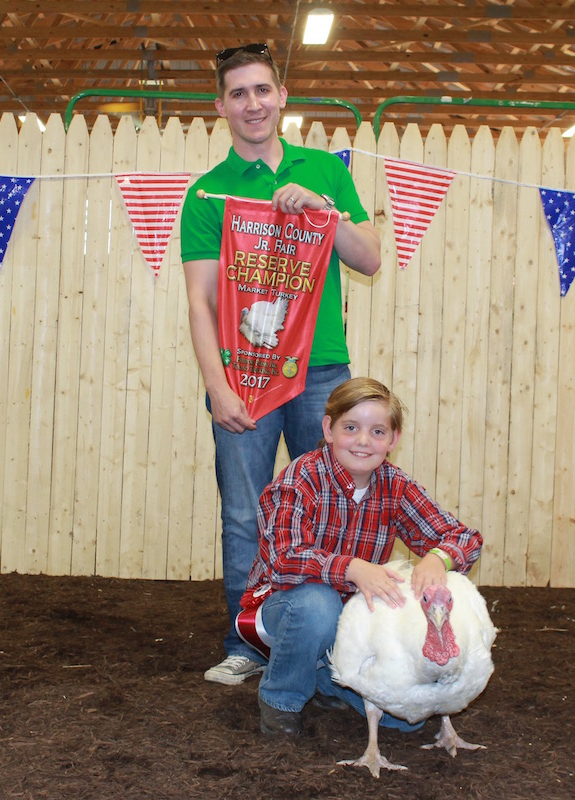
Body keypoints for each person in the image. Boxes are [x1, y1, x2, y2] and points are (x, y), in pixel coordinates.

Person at [179, 43, 382, 685]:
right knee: (245, 514)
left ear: (282, 96)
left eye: (262, 90)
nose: (253, 104)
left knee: (332, 507)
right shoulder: (206, 193)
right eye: (238, 93)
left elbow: (370, 257)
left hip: (322, 371)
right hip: (244, 374)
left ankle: (333, 647)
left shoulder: (324, 171)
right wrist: (217, 387)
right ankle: (248, 643)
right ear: (220, 106)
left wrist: (324, 210)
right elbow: (200, 301)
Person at [237, 377, 484, 735]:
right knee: (318, 605)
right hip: (285, 606)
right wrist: (352, 568)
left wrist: (437, 559)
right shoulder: (301, 478)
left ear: (393, 439)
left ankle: (323, 674)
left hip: (351, 622)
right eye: (351, 428)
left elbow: (464, 537)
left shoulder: (395, 485)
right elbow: (283, 559)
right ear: (329, 429)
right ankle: (281, 697)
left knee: (406, 722)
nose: (364, 441)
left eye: (377, 431)